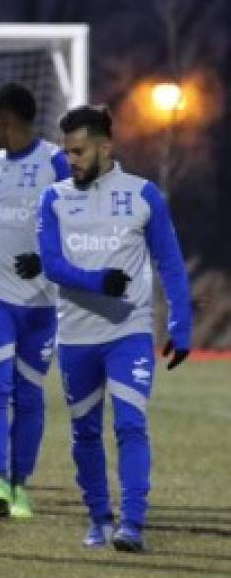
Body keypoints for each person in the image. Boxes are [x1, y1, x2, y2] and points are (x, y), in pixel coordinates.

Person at [37, 105, 192, 553]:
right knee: (84, 432)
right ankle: (99, 518)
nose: (72, 161)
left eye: (79, 152)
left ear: (106, 147)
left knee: (130, 422)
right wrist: (97, 280)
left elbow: (171, 263)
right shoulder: (55, 198)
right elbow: (51, 265)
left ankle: (133, 524)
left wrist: (181, 326)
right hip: (76, 336)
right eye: (67, 153)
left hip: (129, 332)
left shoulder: (144, 195)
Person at [0, 83, 70, 520]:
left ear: (5, 120)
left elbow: (78, 226)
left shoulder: (56, 164)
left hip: (41, 304)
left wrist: (44, 261)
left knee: (28, 394)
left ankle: (21, 484)